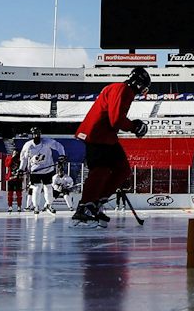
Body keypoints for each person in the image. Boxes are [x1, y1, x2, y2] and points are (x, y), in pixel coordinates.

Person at [73, 67, 150, 222]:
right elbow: (116, 119)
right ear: (139, 83)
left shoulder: (120, 89)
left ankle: (97, 203)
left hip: (106, 136)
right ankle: (85, 206)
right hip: (97, 135)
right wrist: (134, 126)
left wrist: (132, 125)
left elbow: (115, 119)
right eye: (143, 87)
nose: (143, 91)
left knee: (122, 169)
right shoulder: (123, 89)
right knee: (100, 170)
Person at [18, 128, 66, 213]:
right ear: (32, 135)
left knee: (48, 187)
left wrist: (62, 155)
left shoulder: (47, 142)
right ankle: (36, 206)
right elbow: (24, 158)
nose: (36, 136)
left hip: (48, 169)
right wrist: (21, 169)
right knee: (37, 188)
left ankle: (49, 205)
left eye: (38, 134)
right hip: (35, 170)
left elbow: (59, 146)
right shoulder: (28, 145)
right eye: (34, 134)